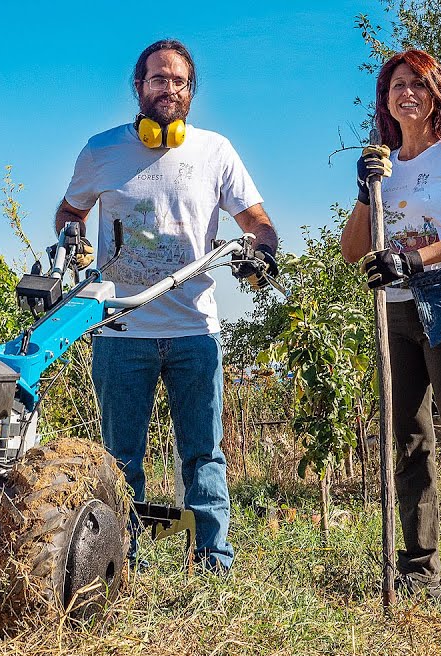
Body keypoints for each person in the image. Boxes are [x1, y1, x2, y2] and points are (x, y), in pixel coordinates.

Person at [55, 39, 280, 574]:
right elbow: (70, 211)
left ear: (191, 90)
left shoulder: (215, 152)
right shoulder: (101, 151)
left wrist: (261, 253)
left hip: (194, 329)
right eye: (158, 79)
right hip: (119, 328)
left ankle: (212, 561)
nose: (168, 88)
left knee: (203, 456)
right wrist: (73, 240)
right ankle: (118, 563)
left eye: (179, 81)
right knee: (119, 462)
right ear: (139, 88)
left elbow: (259, 222)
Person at [340, 48, 441, 601]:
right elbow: (353, 250)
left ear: (436, 94)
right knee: (408, 439)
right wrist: (366, 195)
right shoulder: (382, 166)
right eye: (396, 85)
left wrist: (417, 257)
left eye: (418, 83)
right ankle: (417, 569)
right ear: (385, 100)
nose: (406, 92)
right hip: (397, 307)